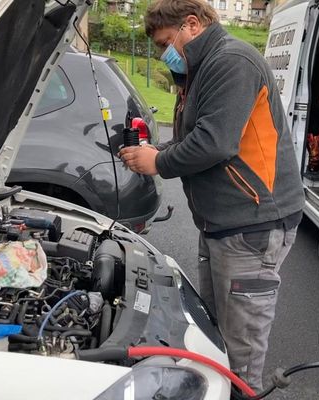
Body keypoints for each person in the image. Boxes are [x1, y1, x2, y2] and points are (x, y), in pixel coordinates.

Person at [119, 0, 304, 391]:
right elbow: (191, 136)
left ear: (192, 24)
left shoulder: (232, 61)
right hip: (222, 224)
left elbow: (214, 143)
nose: (164, 53)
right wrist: (157, 151)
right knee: (215, 328)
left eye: (167, 42)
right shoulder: (199, 70)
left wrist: (159, 162)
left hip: (252, 224)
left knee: (242, 351)